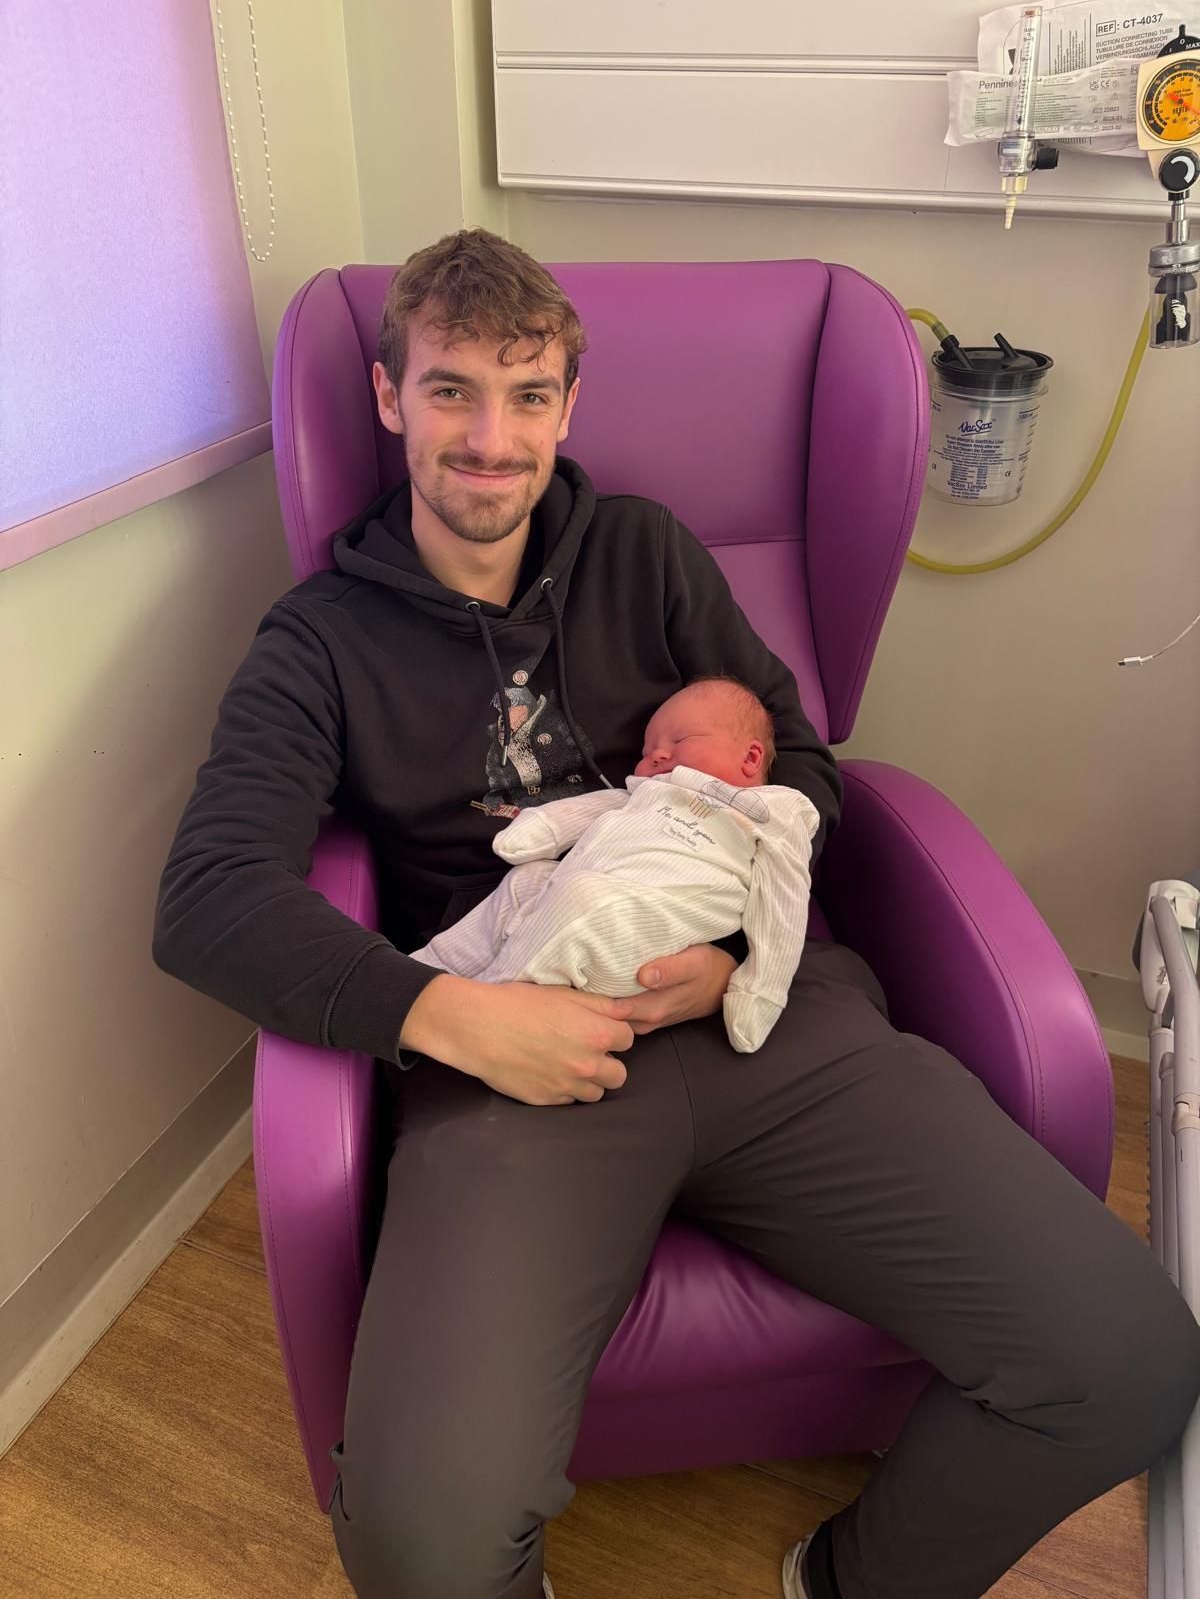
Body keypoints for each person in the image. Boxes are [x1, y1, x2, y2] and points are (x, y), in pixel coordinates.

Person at [153, 227, 1200, 1599]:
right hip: (520, 1058)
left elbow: (802, 761)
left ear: (568, 407)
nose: (491, 437)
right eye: (453, 389)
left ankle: (845, 1580)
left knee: (1126, 1365)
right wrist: (457, 1021)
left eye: (528, 396)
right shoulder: (320, 642)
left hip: (765, 1024)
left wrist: (734, 951)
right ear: (388, 395)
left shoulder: (642, 552)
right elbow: (208, 898)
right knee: (423, 1544)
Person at [409, 676, 821, 1054]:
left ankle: (488, 1005)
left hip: (646, 932)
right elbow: (587, 809)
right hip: (583, 897)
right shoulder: (646, 791)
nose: (657, 754)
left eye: (680, 740)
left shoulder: (772, 814)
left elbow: (783, 909)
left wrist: (758, 991)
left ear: (750, 757)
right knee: (529, 879)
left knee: (579, 896)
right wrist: (540, 828)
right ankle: (426, 971)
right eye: (647, 750)